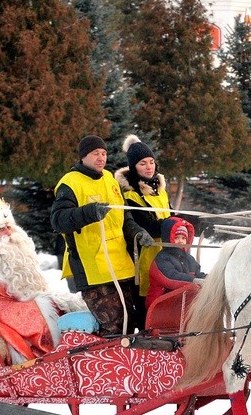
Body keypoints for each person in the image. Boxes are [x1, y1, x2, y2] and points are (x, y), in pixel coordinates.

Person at [0, 192, 88, 365]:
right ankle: (46, 361)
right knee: (36, 313)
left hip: (20, 300)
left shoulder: (14, 250)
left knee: (58, 303)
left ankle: (73, 352)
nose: (9, 233)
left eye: (9, 227)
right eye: (1, 229)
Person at [51, 135, 154, 337]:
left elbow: (124, 216)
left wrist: (137, 232)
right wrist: (89, 212)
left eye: (104, 153)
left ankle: (128, 363)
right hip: (93, 269)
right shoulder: (70, 183)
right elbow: (58, 220)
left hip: (120, 265)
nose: (101, 158)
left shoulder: (109, 179)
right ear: (83, 157)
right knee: (114, 324)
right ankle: (104, 364)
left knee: (131, 321)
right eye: (95, 153)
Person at [115, 134, 172, 328]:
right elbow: (150, 226)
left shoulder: (161, 191)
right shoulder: (130, 195)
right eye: (143, 163)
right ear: (133, 167)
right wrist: (177, 225)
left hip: (166, 258)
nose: (149, 167)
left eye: (151, 162)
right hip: (143, 264)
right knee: (147, 314)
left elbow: (171, 217)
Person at [146, 217, 206, 309]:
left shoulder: (189, 259)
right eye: (176, 237)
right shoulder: (162, 258)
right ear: (168, 238)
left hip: (180, 304)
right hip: (160, 305)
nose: (180, 241)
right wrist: (193, 281)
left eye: (183, 238)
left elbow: (197, 274)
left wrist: (209, 279)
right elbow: (171, 277)